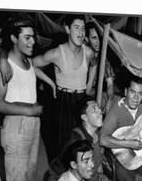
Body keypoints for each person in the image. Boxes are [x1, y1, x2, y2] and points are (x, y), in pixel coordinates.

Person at [0, 15, 46, 181]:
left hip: (32, 125)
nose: (32, 42)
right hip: (16, 126)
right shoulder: (5, 65)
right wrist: (30, 111)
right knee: (16, 180)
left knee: (28, 174)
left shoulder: (27, 60)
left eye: (33, 37)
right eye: (27, 38)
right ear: (13, 38)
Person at [33, 14, 97, 149]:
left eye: (83, 28)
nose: (80, 33)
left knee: (82, 143)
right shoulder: (56, 53)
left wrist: (89, 84)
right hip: (63, 101)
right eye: (76, 28)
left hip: (81, 99)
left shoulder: (89, 52)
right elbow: (33, 64)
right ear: (67, 29)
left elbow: (94, 64)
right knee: (63, 145)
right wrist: (50, 83)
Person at [46, 98, 114, 181]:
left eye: (99, 108)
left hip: (86, 175)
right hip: (64, 180)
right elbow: (75, 177)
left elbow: (98, 156)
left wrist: (100, 173)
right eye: (94, 110)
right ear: (84, 117)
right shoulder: (76, 139)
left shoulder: (97, 134)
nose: (100, 111)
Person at [85, 21, 116, 113]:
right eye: (94, 38)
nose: (98, 42)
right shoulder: (82, 54)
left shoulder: (104, 58)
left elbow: (110, 84)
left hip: (94, 94)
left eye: (100, 37)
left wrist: (109, 100)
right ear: (87, 39)